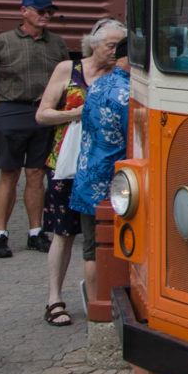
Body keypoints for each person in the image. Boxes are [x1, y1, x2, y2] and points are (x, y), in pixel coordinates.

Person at [33, 19, 125, 326]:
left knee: (96, 236)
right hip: (66, 162)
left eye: (120, 47)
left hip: (99, 168)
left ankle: (101, 297)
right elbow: (42, 113)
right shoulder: (67, 70)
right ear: (94, 45)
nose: (115, 52)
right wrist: (77, 113)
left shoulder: (120, 76)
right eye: (111, 45)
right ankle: (54, 298)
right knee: (63, 232)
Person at [0, 0, 71, 258]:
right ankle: (0, 234)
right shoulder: (2, 42)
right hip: (11, 111)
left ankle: (35, 231)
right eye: (40, 11)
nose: (45, 16)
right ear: (24, 11)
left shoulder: (57, 44)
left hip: (44, 113)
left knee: (36, 174)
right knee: (9, 173)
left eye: (49, 11)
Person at [66, 20, 132, 313]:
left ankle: (95, 308)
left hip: (86, 175)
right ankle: (106, 310)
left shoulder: (97, 86)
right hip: (113, 184)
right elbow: (133, 141)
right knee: (110, 250)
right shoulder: (127, 93)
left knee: (91, 251)